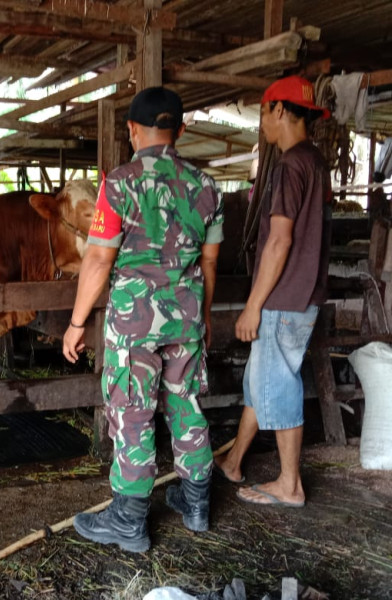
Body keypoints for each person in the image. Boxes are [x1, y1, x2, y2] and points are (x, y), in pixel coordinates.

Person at [63, 86, 224, 552]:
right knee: (186, 404)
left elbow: (97, 261)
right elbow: (210, 264)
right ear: (180, 130)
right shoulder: (206, 187)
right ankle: (196, 505)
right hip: (187, 319)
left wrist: (76, 324)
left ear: (132, 130)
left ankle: (129, 523)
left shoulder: (119, 183)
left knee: (133, 411)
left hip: (135, 326)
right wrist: (205, 316)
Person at [214, 75, 332, 508]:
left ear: (279, 110)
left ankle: (290, 483)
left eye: (262, 112)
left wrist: (252, 306)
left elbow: (280, 241)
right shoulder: (315, 162)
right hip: (304, 295)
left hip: (284, 299)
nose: (260, 122)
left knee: (277, 385)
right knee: (259, 380)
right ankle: (234, 461)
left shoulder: (289, 166)